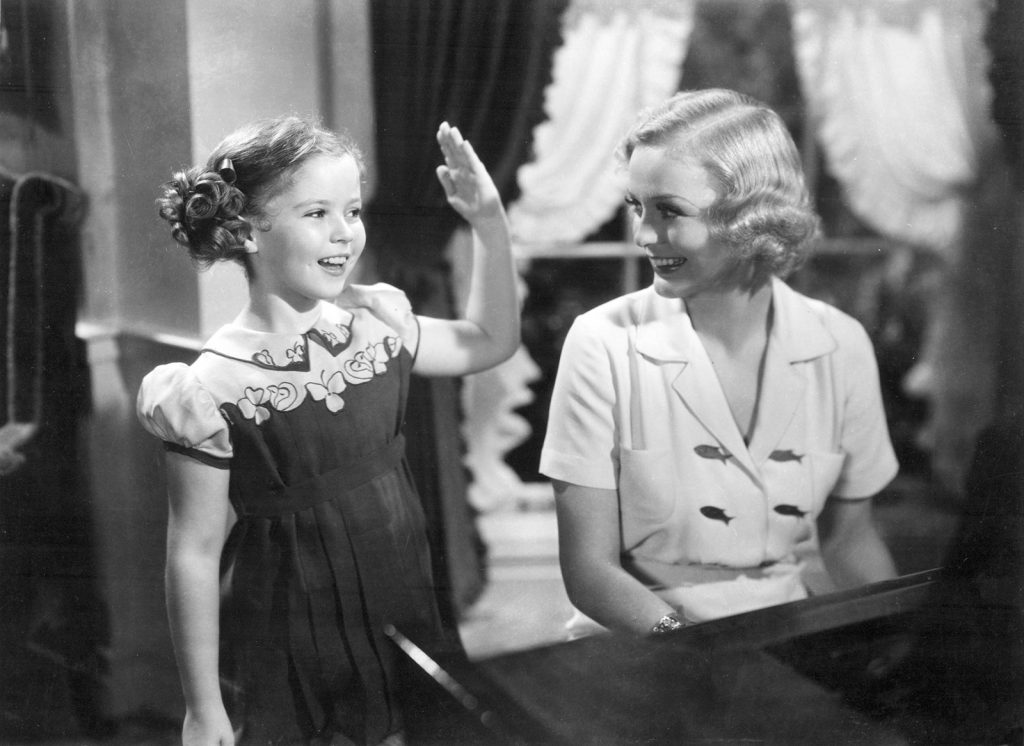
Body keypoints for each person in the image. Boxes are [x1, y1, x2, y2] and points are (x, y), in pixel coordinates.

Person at [137, 115, 518, 745]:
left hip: (404, 601)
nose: (345, 233)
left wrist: (489, 224)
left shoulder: (376, 324)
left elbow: (490, 340)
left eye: (353, 211)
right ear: (246, 230)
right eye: (317, 213)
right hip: (292, 632)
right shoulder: (210, 388)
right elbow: (194, 553)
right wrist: (203, 707)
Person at [540, 89, 899, 639]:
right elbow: (590, 571)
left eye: (668, 211)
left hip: (786, 635)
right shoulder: (602, 343)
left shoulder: (840, 344)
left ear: (749, 216)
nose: (642, 235)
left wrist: (904, 644)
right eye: (637, 207)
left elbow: (849, 541)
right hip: (646, 642)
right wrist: (695, 648)